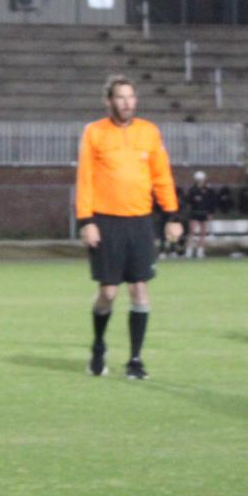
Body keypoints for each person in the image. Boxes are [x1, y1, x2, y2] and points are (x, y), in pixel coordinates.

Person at [77, 75, 182, 379]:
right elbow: (84, 180)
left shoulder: (149, 132)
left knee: (139, 290)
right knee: (108, 293)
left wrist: (172, 216)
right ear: (108, 101)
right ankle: (98, 346)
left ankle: (135, 360)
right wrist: (87, 221)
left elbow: (162, 176)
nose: (126, 103)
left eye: (130, 97)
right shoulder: (94, 133)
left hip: (140, 222)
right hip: (106, 221)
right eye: (120, 97)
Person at [184, 170, 216, 259]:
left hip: (204, 213)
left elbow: (212, 202)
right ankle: (189, 251)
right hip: (194, 212)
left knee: (203, 232)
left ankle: (200, 251)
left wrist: (211, 213)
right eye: (198, 179)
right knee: (192, 232)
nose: (200, 181)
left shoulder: (209, 190)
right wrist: (194, 199)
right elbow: (188, 200)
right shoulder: (192, 190)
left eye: (201, 179)